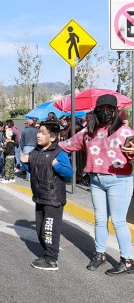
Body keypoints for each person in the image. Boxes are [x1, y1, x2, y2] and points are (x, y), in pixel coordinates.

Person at [59, 94, 134, 276]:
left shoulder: (125, 132)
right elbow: (66, 145)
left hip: (119, 180)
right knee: (100, 220)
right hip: (96, 181)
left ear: (116, 111)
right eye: (102, 109)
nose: (105, 112)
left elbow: (132, 151)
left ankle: (128, 261)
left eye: (110, 109)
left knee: (117, 221)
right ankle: (99, 254)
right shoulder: (87, 133)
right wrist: (45, 149)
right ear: (95, 111)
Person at [20, 120, 73, 271]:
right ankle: (46, 254)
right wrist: (25, 162)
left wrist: (56, 165)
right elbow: (34, 170)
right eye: (39, 132)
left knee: (49, 230)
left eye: (43, 133)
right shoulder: (36, 151)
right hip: (40, 196)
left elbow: (69, 174)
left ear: (53, 138)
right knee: (40, 230)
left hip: (53, 198)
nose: (39, 135)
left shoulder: (59, 153)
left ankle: (51, 260)